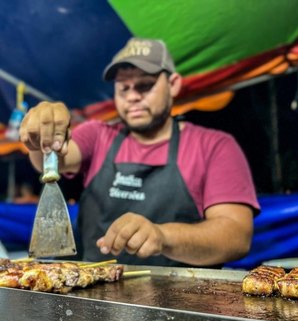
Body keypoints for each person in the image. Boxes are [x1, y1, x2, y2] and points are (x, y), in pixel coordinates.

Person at [19, 37, 260, 267]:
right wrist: (44, 131)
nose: (133, 97)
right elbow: (53, 161)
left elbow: (236, 237)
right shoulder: (98, 136)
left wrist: (162, 235)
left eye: (145, 85)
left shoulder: (213, 146)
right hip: (95, 300)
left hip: (180, 300)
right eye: (124, 88)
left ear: (173, 84)